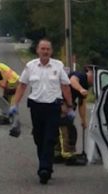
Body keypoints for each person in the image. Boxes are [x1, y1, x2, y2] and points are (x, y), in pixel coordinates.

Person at [9, 38, 74, 184]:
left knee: (50, 138)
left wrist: (69, 106)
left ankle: (44, 168)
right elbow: (22, 85)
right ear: (37, 50)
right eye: (42, 49)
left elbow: (65, 86)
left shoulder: (58, 66)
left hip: (53, 107)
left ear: (51, 51)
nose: (45, 51)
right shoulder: (30, 66)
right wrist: (15, 104)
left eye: (48, 49)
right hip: (36, 107)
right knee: (39, 138)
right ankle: (45, 166)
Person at [55, 65, 94, 163]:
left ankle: (58, 153)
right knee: (67, 129)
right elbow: (72, 81)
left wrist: (83, 120)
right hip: (60, 102)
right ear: (90, 73)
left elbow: (82, 104)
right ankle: (68, 155)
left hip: (65, 105)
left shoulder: (86, 85)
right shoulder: (80, 75)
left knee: (63, 128)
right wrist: (81, 89)